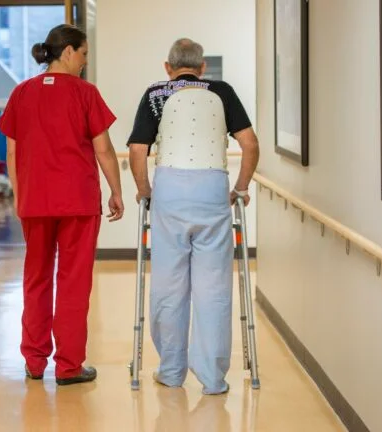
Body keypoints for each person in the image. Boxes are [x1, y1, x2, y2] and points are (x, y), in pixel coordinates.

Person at [126, 38, 260, 394]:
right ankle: (214, 379)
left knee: (169, 286)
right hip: (213, 190)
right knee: (214, 288)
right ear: (203, 68)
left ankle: (171, 371)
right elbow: (250, 144)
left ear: (167, 67)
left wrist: (144, 190)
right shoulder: (222, 90)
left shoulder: (156, 92)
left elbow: (138, 149)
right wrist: (242, 188)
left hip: (170, 190)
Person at [0, 24, 124, 386]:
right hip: (79, 202)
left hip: (35, 201)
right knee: (73, 281)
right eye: (84, 54)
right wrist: (116, 190)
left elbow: (12, 150)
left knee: (35, 278)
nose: (85, 62)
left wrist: (19, 196)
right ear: (67, 51)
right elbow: (103, 149)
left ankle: (34, 362)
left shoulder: (22, 93)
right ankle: (69, 366)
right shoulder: (85, 93)